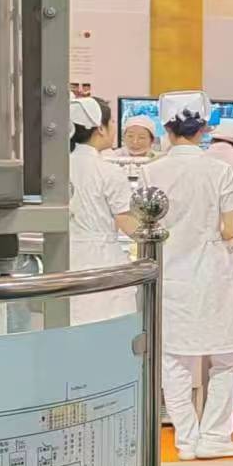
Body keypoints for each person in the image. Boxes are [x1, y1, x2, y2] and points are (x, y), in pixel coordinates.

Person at [143, 92, 233, 461]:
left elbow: (146, 225)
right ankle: (214, 435)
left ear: (166, 128)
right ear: (203, 129)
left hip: (171, 273)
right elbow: (230, 227)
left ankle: (186, 439)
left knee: (174, 361)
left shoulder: (151, 172)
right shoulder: (220, 171)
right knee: (227, 359)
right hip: (213, 274)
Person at [67, 95, 139, 324]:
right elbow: (127, 222)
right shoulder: (108, 171)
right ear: (100, 128)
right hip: (102, 261)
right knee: (105, 325)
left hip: (65, 258)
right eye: (113, 122)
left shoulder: (58, 167)